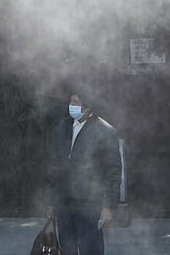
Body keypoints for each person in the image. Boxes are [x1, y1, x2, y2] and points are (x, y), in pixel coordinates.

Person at [45, 87, 121, 255]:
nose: (71, 105)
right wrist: (51, 201)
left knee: (91, 249)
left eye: (76, 102)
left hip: (89, 204)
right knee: (67, 248)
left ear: (88, 107)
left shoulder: (105, 131)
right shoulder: (63, 126)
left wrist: (108, 206)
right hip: (64, 201)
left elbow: (113, 172)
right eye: (70, 101)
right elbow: (55, 165)